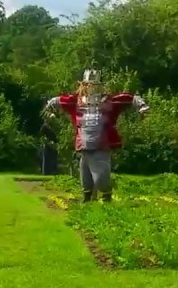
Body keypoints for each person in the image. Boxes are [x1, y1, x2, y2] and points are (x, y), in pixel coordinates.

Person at [44, 70, 149, 203]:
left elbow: (129, 98)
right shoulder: (75, 101)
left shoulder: (110, 101)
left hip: (102, 146)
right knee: (85, 180)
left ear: (99, 86)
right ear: (83, 85)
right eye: (88, 84)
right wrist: (49, 111)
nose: (91, 87)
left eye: (94, 85)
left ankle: (106, 196)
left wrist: (142, 107)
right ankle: (87, 201)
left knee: (101, 180)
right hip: (83, 146)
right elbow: (56, 101)